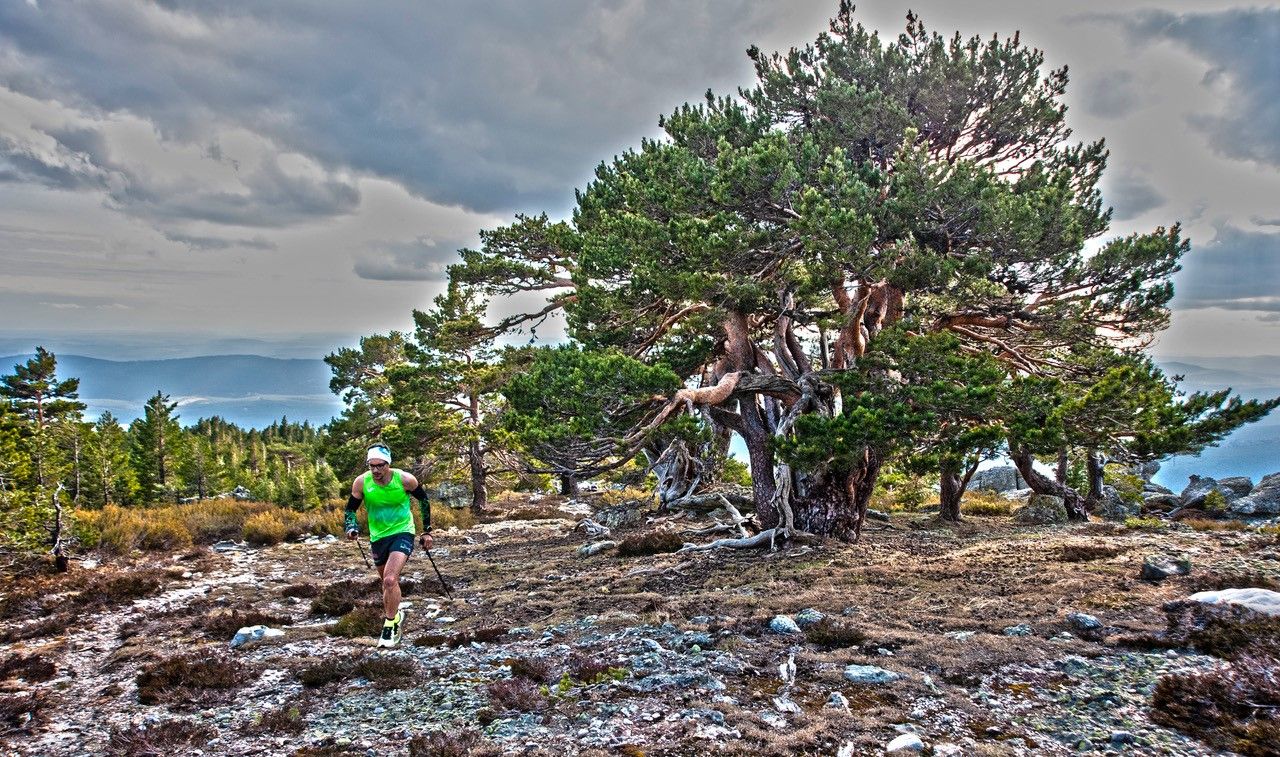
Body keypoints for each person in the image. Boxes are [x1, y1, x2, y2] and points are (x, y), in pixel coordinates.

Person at [345, 443, 433, 647]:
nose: (375, 470)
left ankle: (389, 626)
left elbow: (424, 501)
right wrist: (351, 526)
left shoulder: (405, 480)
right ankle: (397, 615)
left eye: (380, 465)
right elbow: (350, 509)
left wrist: (427, 530)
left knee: (390, 579)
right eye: (371, 466)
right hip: (377, 537)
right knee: (387, 583)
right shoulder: (361, 483)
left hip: (403, 532)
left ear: (388, 464)